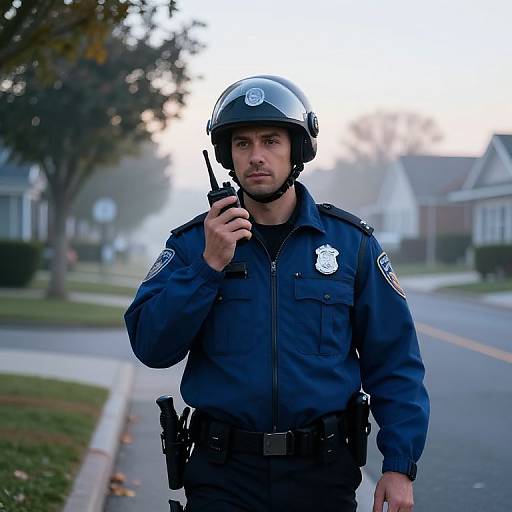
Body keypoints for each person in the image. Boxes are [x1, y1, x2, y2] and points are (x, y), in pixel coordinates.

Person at [124, 75, 430, 512]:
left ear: (297, 151)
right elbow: (152, 346)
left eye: (271, 140)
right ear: (228, 156)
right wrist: (209, 266)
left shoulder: (350, 245)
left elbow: (395, 361)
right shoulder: (193, 244)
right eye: (243, 144)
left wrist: (399, 465)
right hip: (222, 475)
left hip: (322, 475)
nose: (257, 156)